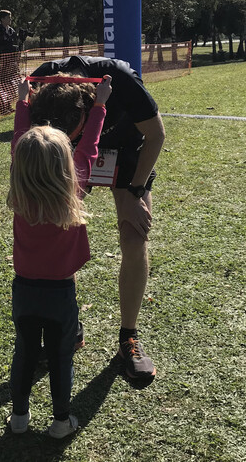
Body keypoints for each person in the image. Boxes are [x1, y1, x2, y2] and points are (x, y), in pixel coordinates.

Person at [28, 55, 166, 384]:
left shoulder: (119, 79)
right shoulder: (45, 84)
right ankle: (69, 325)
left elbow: (157, 135)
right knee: (58, 234)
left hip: (127, 152)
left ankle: (128, 337)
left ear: (91, 109)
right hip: (74, 158)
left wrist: (134, 194)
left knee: (135, 236)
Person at [7, 75, 112, 438]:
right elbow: (91, 147)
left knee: (24, 352)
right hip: (60, 293)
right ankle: (60, 421)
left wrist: (23, 101)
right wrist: (99, 105)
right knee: (59, 357)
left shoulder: (19, 186)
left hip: (24, 289)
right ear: (68, 163)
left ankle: (19, 419)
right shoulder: (75, 184)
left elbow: (19, 141)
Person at [0, 10, 19, 114]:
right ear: (2, 19)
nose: (10, 20)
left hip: (11, 60)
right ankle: (3, 108)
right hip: (2, 60)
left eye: (10, 17)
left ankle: (8, 105)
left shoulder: (11, 30)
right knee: (2, 84)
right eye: (8, 18)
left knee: (10, 84)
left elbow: (15, 43)